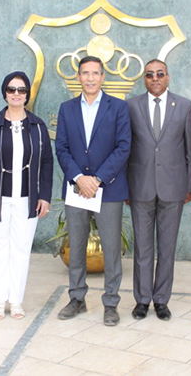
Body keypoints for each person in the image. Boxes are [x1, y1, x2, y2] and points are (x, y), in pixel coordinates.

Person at [55, 55, 131, 326]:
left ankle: (111, 303)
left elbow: (123, 146)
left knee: (111, 249)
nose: (90, 78)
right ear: (78, 77)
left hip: (108, 189)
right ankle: (77, 299)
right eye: (85, 73)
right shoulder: (67, 109)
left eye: (95, 73)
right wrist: (79, 178)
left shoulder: (118, 107)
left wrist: (97, 179)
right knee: (76, 246)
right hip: (77, 189)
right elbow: (61, 148)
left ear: (102, 77)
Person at [0, 71, 53, 320]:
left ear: (27, 94)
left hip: (28, 200)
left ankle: (16, 301)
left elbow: (47, 162)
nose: (16, 94)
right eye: (11, 89)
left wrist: (45, 196)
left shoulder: (37, 126)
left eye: (21, 90)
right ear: (5, 93)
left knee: (21, 250)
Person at [126, 59, 191, 321]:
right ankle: (142, 300)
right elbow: (125, 148)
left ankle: (161, 300)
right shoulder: (131, 106)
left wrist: (188, 186)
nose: (155, 78)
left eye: (159, 74)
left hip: (173, 189)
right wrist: (125, 187)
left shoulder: (185, 105)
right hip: (140, 187)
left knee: (167, 249)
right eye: (149, 75)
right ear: (144, 79)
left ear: (168, 77)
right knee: (142, 249)